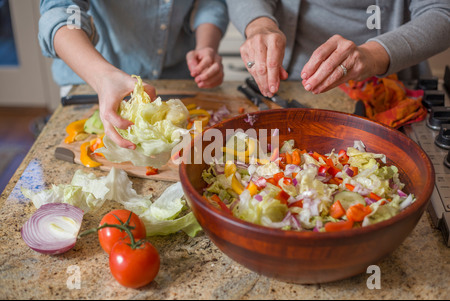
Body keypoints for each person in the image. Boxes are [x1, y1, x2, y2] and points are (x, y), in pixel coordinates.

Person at [38, 0, 229, 149]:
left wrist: (205, 46)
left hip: (179, 78)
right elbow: (65, 9)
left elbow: (211, 3)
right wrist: (102, 77)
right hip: (91, 79)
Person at [226, 0, 450, 98]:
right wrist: (259, 25)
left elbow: (441, 11)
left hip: (391, 84)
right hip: (290, 82)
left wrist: (372, 55)